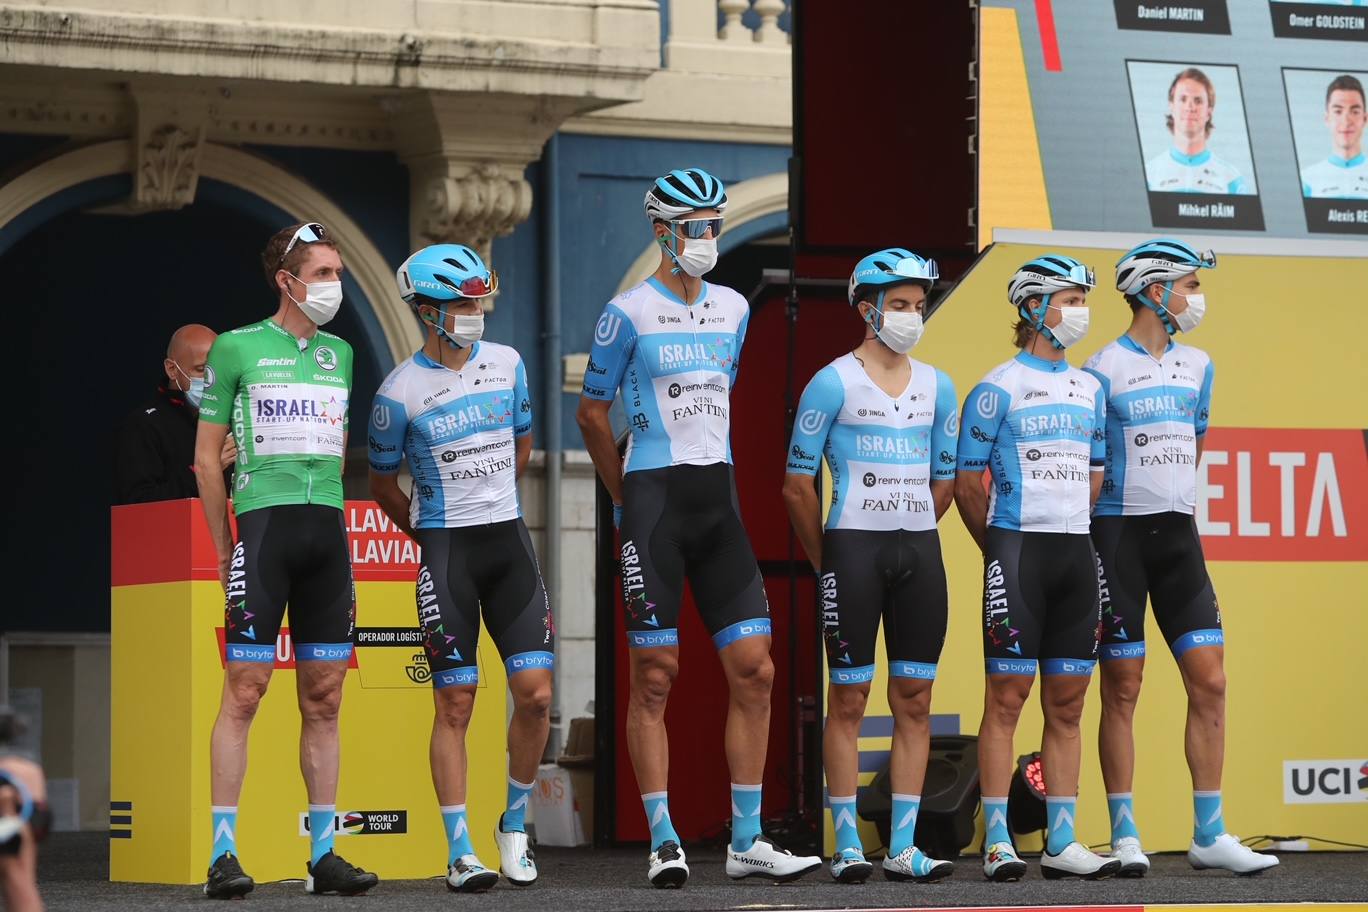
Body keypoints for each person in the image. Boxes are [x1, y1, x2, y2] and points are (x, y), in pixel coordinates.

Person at [576, 168, 820, 888]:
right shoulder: (626, 313)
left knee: (757, 668)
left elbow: (719, 398)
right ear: (663, 232)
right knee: (656, 677)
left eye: (715, 225)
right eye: (697, 227)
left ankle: (747, 839)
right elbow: (593, 414)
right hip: (652, 507)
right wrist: (624, 498)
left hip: (720, 509)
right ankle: (663, 838)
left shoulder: (735, 309)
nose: (709, 239)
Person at [1084, 239, 1279, 876]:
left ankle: (1210, 832)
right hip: (1118, 539)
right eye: (1189, 285)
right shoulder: (1101, 367)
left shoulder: (1200, 365)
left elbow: (1193, 445)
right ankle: (1125, 831)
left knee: (1212, 679)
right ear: (1151, 290)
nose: (1197, 298)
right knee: (1124, 685)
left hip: (1178, 538)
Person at [194, 222, 377, 898]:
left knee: (325, 697)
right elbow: (205, 460)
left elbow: (337, 451)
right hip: (264, 533)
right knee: (245, 690)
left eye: (337, 272)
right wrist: (223, 547)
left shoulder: (342, 354)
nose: (334, 285)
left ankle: (324, 853)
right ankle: (222, 855)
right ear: (288, 280)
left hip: (326, 535)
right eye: (324, 273)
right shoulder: (237, 347)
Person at [368, 244, 552, 893]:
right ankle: (459, 849)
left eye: (479, 300)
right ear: (426, 310)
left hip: (508, 541)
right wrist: (426, 530)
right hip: (447, 551)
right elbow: (381, 480)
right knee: (456, 700)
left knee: (536, 696)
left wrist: (495, 497)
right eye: (461, 303)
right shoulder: (398, 392)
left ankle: (513, 825)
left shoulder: (508, 364)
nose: (475, 312)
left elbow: (524, 441)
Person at [783, 249, 959, 884]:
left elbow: (944, 481)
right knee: (850, 699)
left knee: (915, 699)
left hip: (918, 554)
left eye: (919, 305)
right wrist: (826, 557)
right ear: (868, 309)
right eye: (901, 306)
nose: (913, 316)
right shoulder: (832, 381)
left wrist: (908, 525)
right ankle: (848, 842)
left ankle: (904, 846)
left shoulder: (940, 386)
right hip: (850, 551)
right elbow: (796, 485)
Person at [954, 254, 1119, 881]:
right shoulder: (997, 388)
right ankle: (997, 837)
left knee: (1070, 704)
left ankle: (1062, 838)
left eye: (1083, 299)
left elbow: (1097, 477)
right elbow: (970, 485)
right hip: (1017, 553)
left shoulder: (1091, 389)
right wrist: (998, 548)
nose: (1080, 311)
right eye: (1069, 299)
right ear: (1032, 308)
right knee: (1006, 698)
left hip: (1076, 554)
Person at [113, 324, 235, 504]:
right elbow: (139, 502)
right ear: (172, 369)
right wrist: (206, 470)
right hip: (177, 530)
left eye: (218, 368)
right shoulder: (146, 425)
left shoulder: (235, 416)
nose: (212, 379)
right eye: (201, 370)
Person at [1144, 67, 1251, 195]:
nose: (1190, 107)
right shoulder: (1148, 175)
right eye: (1183, 99)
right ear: (1171, 107)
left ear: (1209, 113)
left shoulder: (1231, 179)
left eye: (1198, 101)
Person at [0, 707, 48, 912]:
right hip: (29, 822)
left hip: (12, 821)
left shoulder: (10, 767)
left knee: (17, 882)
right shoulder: (29, 766)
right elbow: (41, 810)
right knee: (21, 882)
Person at [1301, 74, 1368, 199]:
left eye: (1354, 112)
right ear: (1327, 119)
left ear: (1365, 119)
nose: (1346, 121)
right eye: (1338, 111)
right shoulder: (1307, 180)